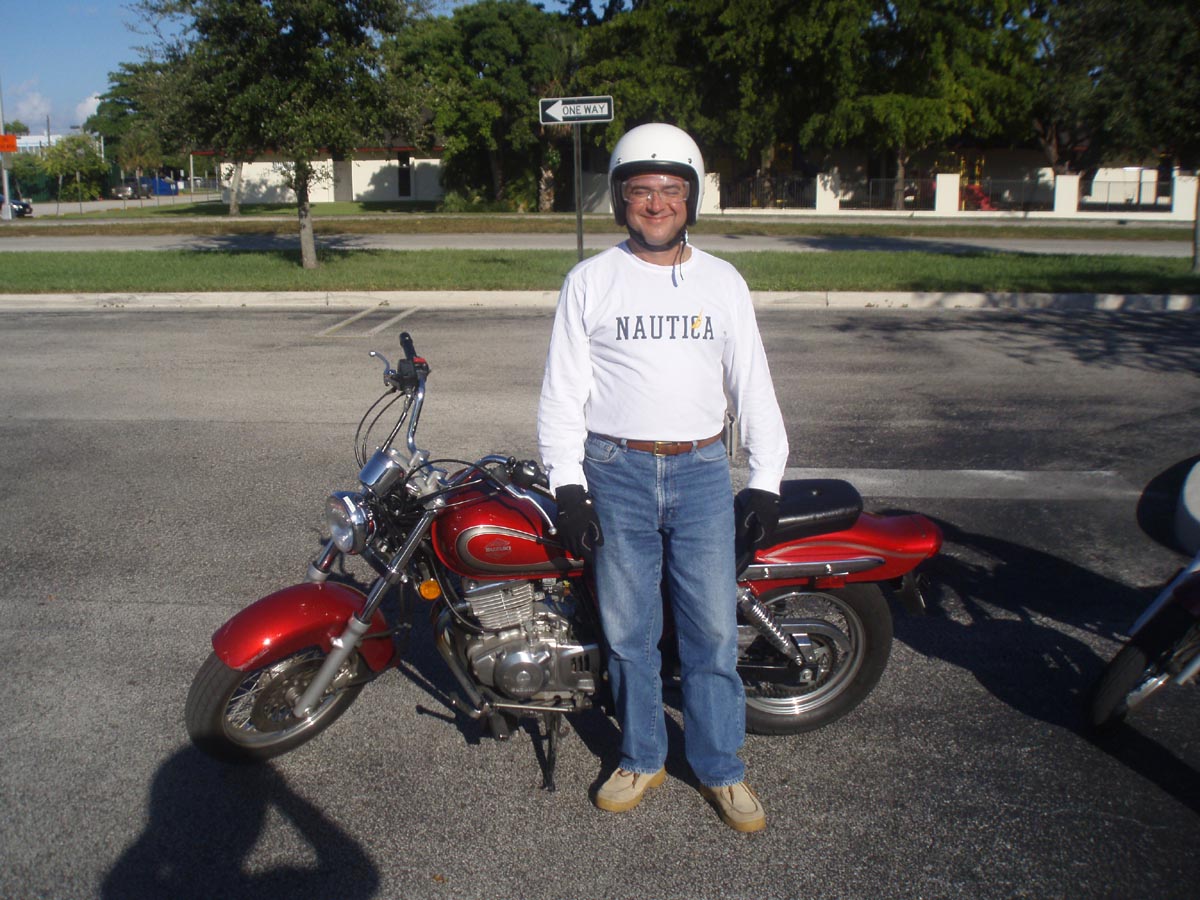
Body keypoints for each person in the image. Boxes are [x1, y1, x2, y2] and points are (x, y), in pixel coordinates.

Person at [536, 122, 788, 833]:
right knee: (628, 631)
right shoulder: (590, 281)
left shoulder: (722, 281)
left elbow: (752, 384)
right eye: (641, 189)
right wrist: (568, 487)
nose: (656, 203)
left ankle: (720, 766)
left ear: (692, 197)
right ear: (621, 199)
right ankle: (642, 754)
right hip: (614, 470)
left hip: (701, 471)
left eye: (671, 189)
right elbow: (562, 393)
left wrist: (766, 479)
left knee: (711, 632)